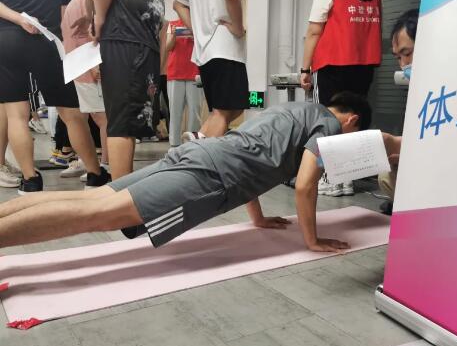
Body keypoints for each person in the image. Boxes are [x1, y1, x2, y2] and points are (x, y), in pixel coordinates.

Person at [0, 93, 372, 254]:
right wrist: (312, 240)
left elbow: (258, 157)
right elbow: (305, 185)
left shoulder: (297, 108)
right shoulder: (329, 127)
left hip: (202, 152)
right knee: (98, 215)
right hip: (212, 174)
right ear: (352, 121)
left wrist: (257, 218)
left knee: (92, 199)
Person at [0, 0, 109, 195]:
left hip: (6, 38)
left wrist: (18, 19)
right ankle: (95, 174)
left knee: (16, 115)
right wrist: (93, 17)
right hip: (47, 39)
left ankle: (31, 181)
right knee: (71, 113)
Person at [300, 0, 382, 197]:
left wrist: (304, 68)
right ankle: (346, 180)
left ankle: (329, 178)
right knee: (353, 121)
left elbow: (314, 31)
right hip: (364, 65)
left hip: (333, 64)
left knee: (327, 120)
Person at [92, 0, 165, 179]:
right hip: (127, 34)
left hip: (136, 36)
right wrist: (99, 16)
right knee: (122, 123)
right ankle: (120, 196)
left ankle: (123, 190)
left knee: (128, 122)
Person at [173, 0, 249, 141]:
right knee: (224, 111)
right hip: (225, 48)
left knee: (226, 109)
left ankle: (198, 138)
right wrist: (238, 27)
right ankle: (202, 150)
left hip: (206, 52)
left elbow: (178, 3)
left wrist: (197, 29)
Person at [60, 0, 110, 179]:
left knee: (102, 118)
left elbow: (93, 35)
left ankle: (107, 163)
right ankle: (90, 160)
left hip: (87, 65)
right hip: (78, 66)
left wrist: (95, 66)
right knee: (90, 117)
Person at [378, 9, 418, 214]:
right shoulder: (418, 91)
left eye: (407, 54)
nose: (403, 65)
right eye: (398, 57)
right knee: (386, 175)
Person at [165, 20, 203, 147]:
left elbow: (205, 45)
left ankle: (193, 144)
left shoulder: (198, 22)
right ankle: (174, 144)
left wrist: (195, 37)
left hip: (195, 72)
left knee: (195, 111)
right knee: (175, 112)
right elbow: (168, 47)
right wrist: (173, 36)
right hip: (175, 72)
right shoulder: (173, 24)